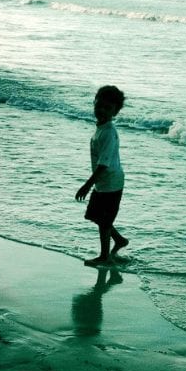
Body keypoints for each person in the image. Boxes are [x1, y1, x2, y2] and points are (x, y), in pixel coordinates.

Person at [76, 85, 129, 266]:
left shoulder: (108, 133)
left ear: (115, 111)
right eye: (99, 105)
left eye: (107, 108)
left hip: (110, 183)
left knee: (104, 221)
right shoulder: (101, 128)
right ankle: (119, 240)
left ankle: (105, 256)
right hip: (103, 183)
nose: (101, 110)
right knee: (96, 216)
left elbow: (103, 166)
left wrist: (87, 185)